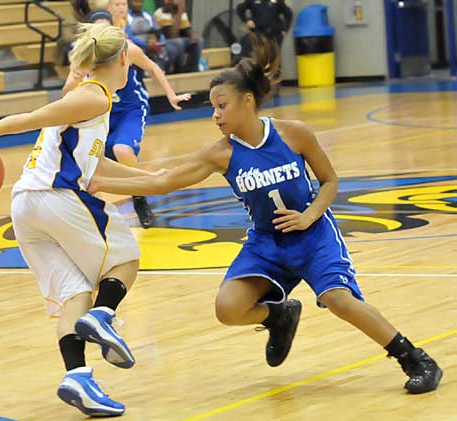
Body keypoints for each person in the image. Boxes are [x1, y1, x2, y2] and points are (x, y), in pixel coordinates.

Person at [87, 38, 443, 395]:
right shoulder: (220, 154)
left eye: (221, 106)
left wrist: (308, 216)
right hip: (266, 243)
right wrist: (99, 176)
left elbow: (330, 181)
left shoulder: (293, 134)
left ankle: (414, 358)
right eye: (213, 108)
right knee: (228, 309)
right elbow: (163, 181)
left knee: (339, 299)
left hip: (313, 235)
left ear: (248, 101)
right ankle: (280, 315)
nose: (215, 115)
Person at [0, 23, 158, 417]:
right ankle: (104, 315)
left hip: (27, 207)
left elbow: (93, 166)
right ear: (124, 59)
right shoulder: (93, 96)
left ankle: (78, 377)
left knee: (72, 293)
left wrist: (150, 179)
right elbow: (31, 116)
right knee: (126, 257)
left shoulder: (88, 97)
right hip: (56, 198)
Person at [67, 2, 191, 228]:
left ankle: (140, 197)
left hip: (131, 108)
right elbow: (67, 92)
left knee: (121, 149)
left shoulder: (128, 48)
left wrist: (171, 95)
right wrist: (75, 78)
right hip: (102, 111)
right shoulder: (86, 56)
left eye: (107, 27)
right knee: (90, 159)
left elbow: (153, 67)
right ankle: (87, 207)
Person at [154, 0, 203, 73]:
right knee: (179, 42)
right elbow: (172, 35)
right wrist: (179, 12)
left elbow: (187, 31)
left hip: (178, 41)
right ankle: (178, 71)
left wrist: (192, 35)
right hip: (164, 43)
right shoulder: (161, 13)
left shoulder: (182, 13)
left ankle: (192, 69)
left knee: (199, 41)